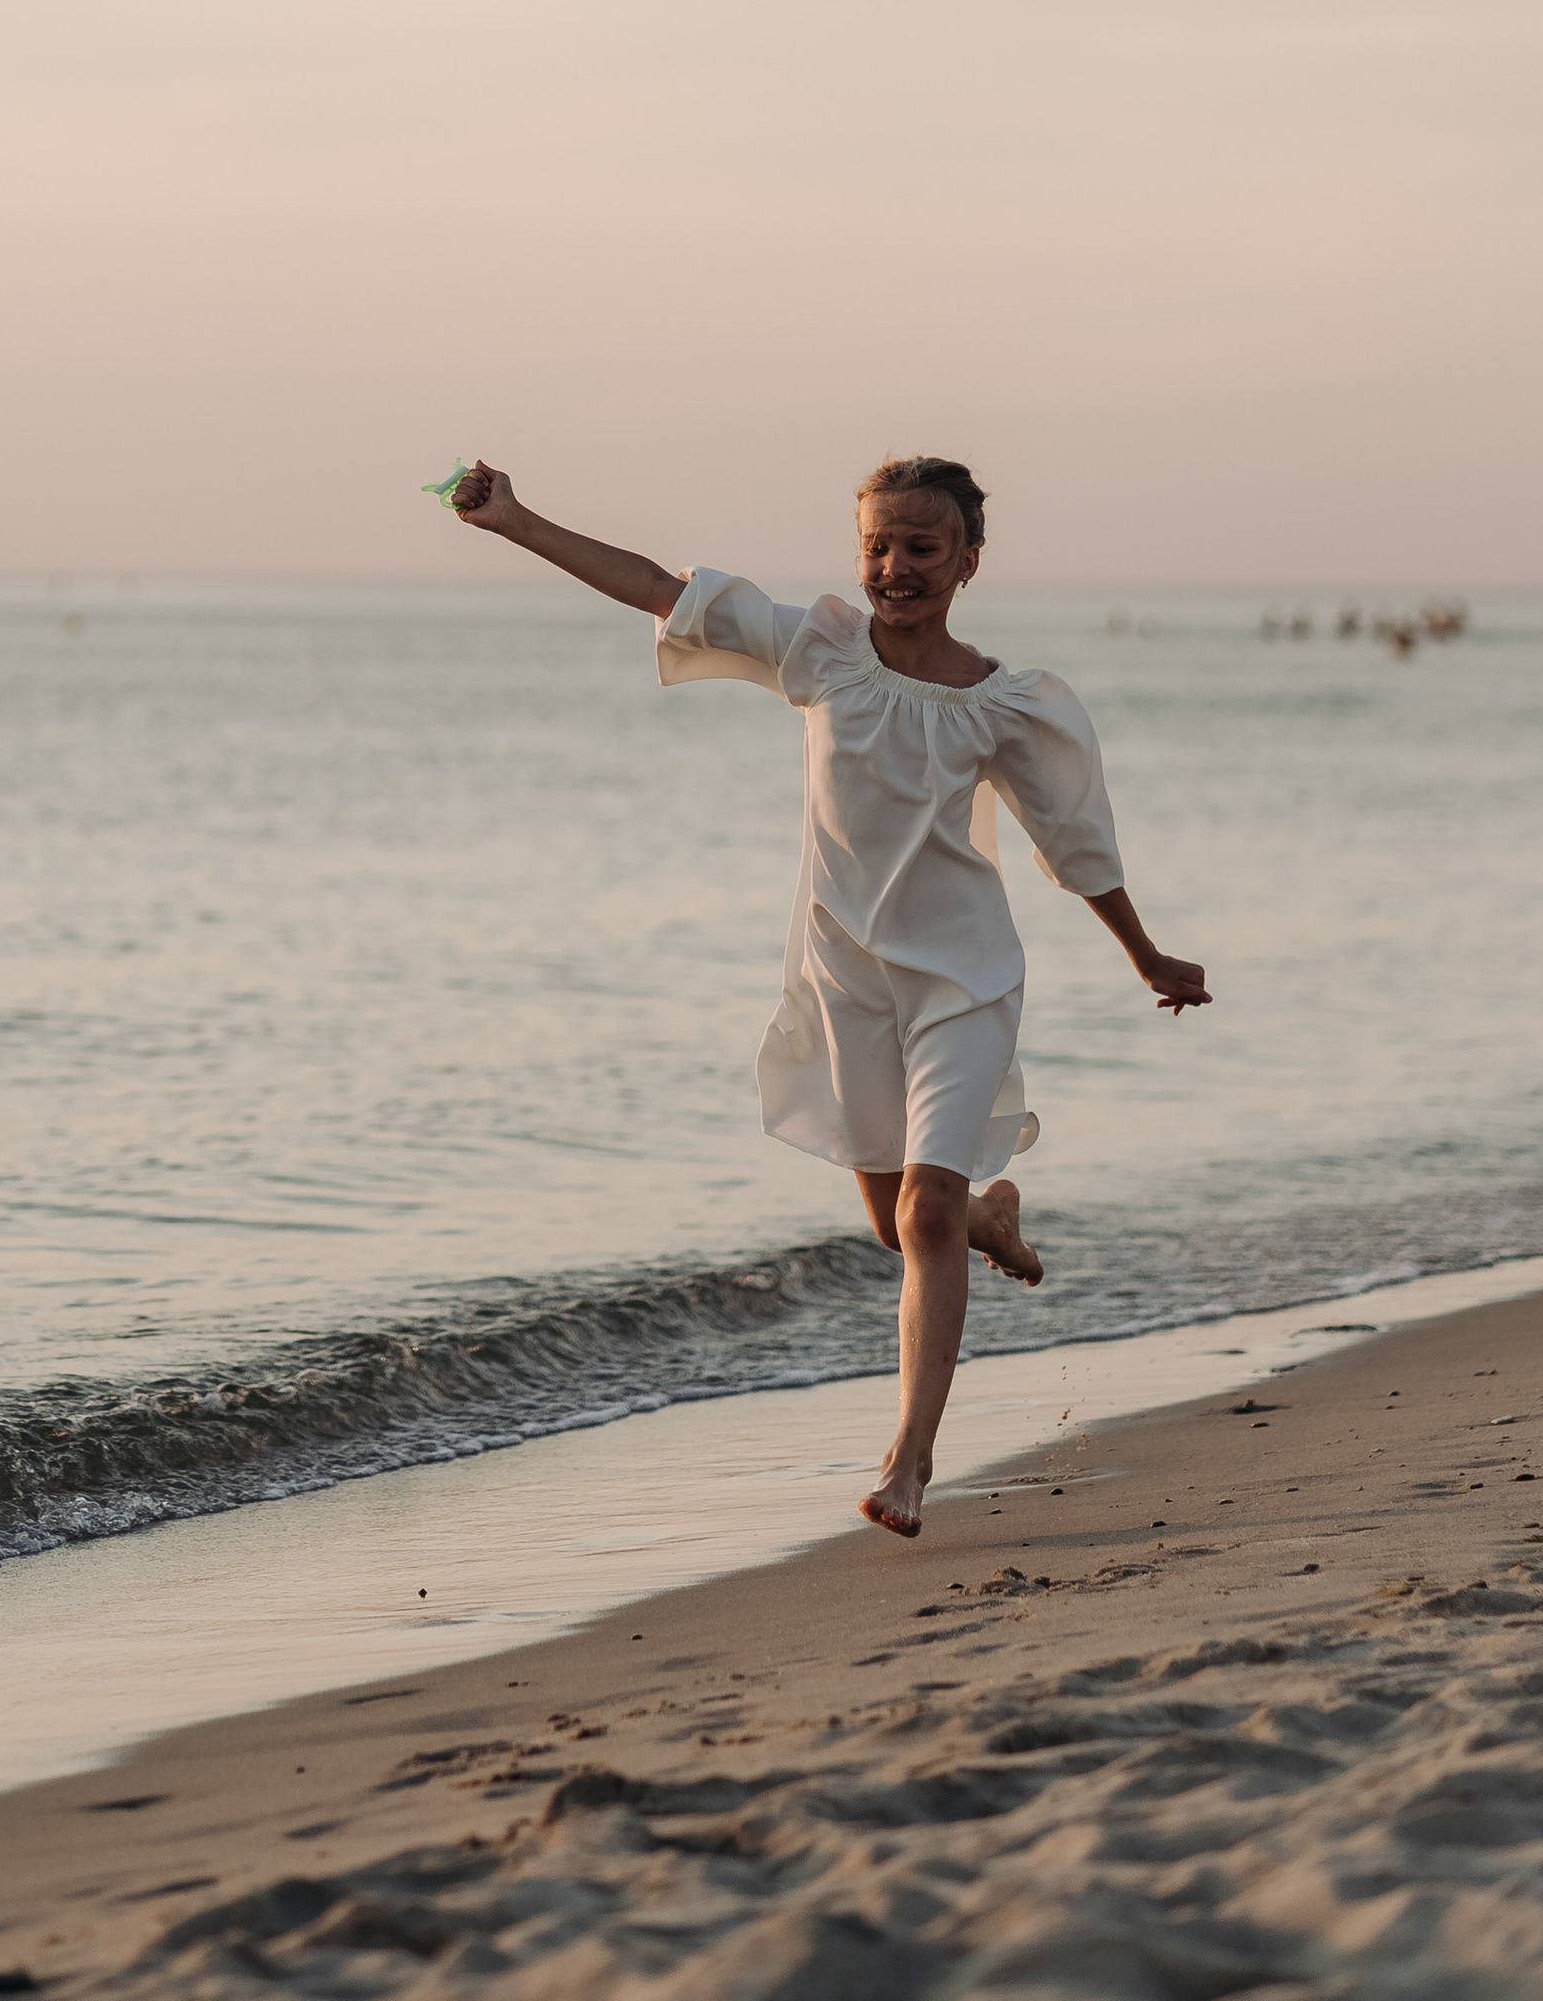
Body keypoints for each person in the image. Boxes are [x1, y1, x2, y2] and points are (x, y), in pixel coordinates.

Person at [447, 453, 1210, 1539]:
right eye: (877, 547)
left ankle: (909, 1459)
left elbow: (1071, 839)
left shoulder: (1003, 703)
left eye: (920, 548)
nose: (894, 567)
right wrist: (516, 522)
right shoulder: (818, 651)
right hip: (845, 979)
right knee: (903, 1227)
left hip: (964, 981)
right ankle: (996, 1217)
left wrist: (1144, 953)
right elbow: (657, 585)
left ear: (967, 562)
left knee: (921, 1210)